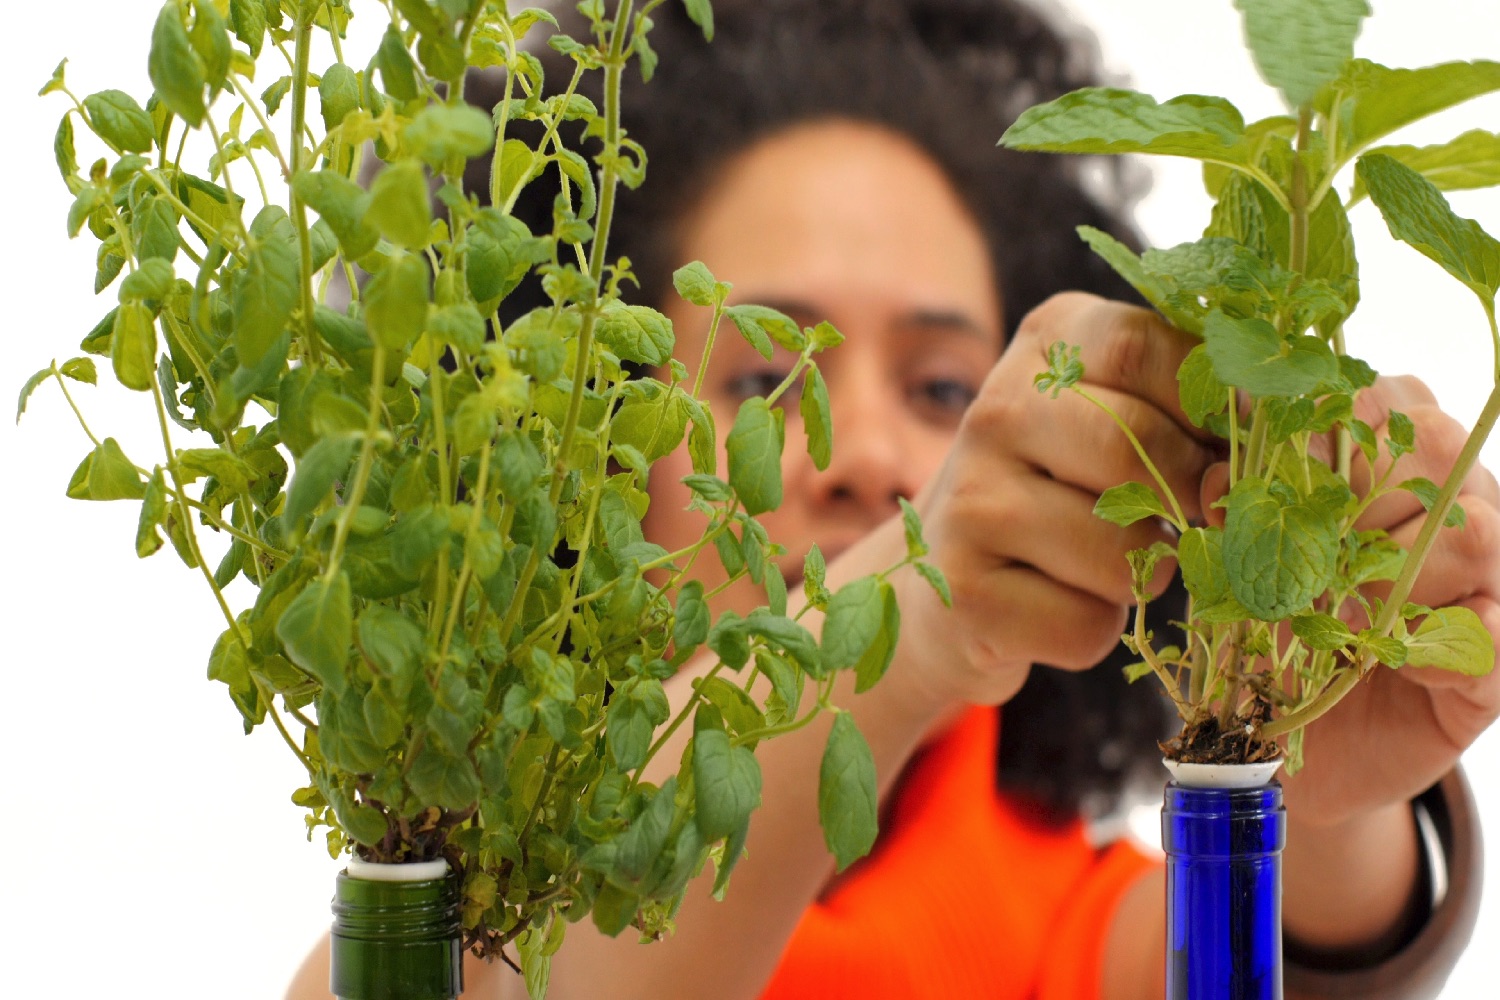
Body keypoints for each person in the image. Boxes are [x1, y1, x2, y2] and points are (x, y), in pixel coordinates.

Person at [290, 1, 1500, 997]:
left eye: (940, 385)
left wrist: (1310, 777)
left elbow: (1280, 949)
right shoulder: (458, 911)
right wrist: (908, 606)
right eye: (771, 374)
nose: (869, 451)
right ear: (588, 444)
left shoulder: (1050, 917)